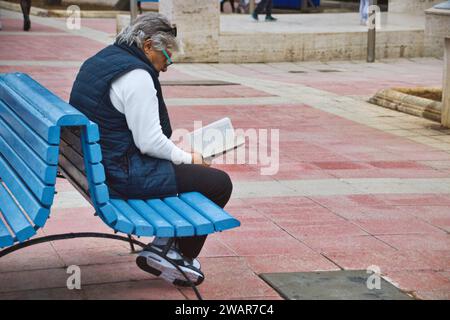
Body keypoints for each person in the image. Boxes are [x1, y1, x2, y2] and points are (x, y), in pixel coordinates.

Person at [69, 13, 233, 287]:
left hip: (95, 167)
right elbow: (149, 142)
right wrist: (188, 158)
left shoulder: (102, 59)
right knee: (218, 183)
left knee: (190, 173)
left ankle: (164, 244)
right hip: (121, 175)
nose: (167, 67)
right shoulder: (136, 76)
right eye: (167, 57)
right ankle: (176, 255)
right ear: (147, 46)